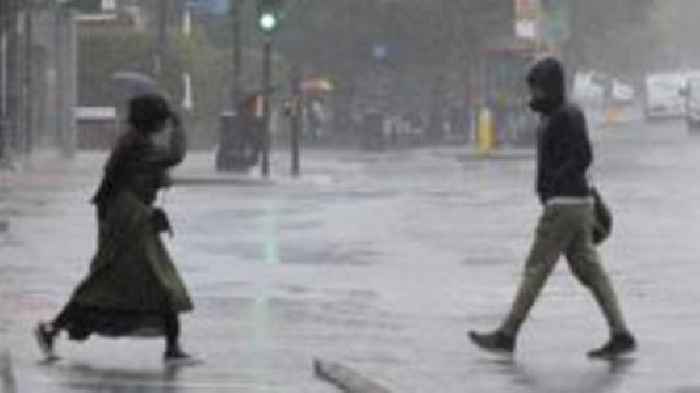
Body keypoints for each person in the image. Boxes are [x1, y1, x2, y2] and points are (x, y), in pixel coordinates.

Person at [468, 57, 637, 359]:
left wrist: (556, 184)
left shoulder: (566, 115)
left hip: (564, 204)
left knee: (536, 268)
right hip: (573, 202)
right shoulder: (555, 114)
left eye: (538, 89)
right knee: (591, 271)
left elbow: (583, 155)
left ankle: (507, 334)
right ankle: (621, 333)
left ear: (552, 86)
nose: (534, 95)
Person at [34, 94, 196, 363]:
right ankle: (53, 328)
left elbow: (148, 175)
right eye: (162, 118)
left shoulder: (136, 141)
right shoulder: (137, 143)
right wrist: (179, 125)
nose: (164, 124)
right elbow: (174, 156)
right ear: (153, 120)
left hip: (130, 217)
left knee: (143, 281)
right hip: (129, 221)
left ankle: (172, 346)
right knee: (147, 279)